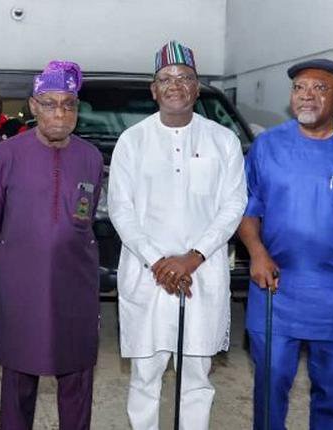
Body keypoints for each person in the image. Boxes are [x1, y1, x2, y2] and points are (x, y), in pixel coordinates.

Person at [108, 40, 247, 429]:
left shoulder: (223, 141)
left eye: (184, 78)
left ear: (196, 87)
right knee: (145, 377)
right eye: (166, 79)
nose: (175, 85)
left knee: (197, 380)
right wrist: (158, 261)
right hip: (146, 275)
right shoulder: (131, 141)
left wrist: (194, 256)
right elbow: (121, 209)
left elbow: (233, 205)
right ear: (153, 89)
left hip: (202, 274)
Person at [238, 59, 333, 430]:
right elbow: (247, 209)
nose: (306, 96)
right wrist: (257, 253)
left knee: (332, 390)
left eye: (319, 88)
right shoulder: (268, 146)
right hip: (275, 289)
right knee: (270, 386)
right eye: (299, 88)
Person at [0, 61, 104, 430]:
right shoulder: (6, 155)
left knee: (77, 377)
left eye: (69, 104)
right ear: (34, 106)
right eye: (50, 103)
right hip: (21, 286)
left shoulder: (91, 157)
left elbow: (86, 217)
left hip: (76, 285)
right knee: (19, 377)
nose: (60, 113)